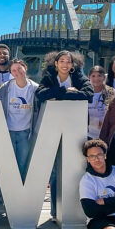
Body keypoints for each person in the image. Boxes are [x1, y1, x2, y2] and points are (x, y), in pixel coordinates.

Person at [36, 50, 93, 217]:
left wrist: (58, 93)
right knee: (54, 171)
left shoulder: (79, 78)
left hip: (74, 128)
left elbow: (88, 95)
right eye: (62, 61)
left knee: (74, 169)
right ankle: (55, 210)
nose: (65, 64)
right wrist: (68, 91)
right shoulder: (48, 77)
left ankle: (72, 211)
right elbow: (40, 94)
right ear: (56, 63)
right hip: (53, 128)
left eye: (69, 61)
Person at [0, 59, 38, 178]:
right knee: (7, 164)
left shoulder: (35, 88)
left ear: (25, 68)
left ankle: (21, 193)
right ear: (11, 73)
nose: (17, 72)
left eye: (19, 68)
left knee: (22, 164)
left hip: (26, 132)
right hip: (8, 130)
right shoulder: (6, 87)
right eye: (14, 70)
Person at [87, 66, 115, 140]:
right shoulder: (85, 92)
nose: (96, 79)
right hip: (88, 134)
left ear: (104, 77)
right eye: (93, 76)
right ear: (89, 77)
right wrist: (94, 122)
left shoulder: (112, 92)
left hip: (105, 134)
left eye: (99, 76)